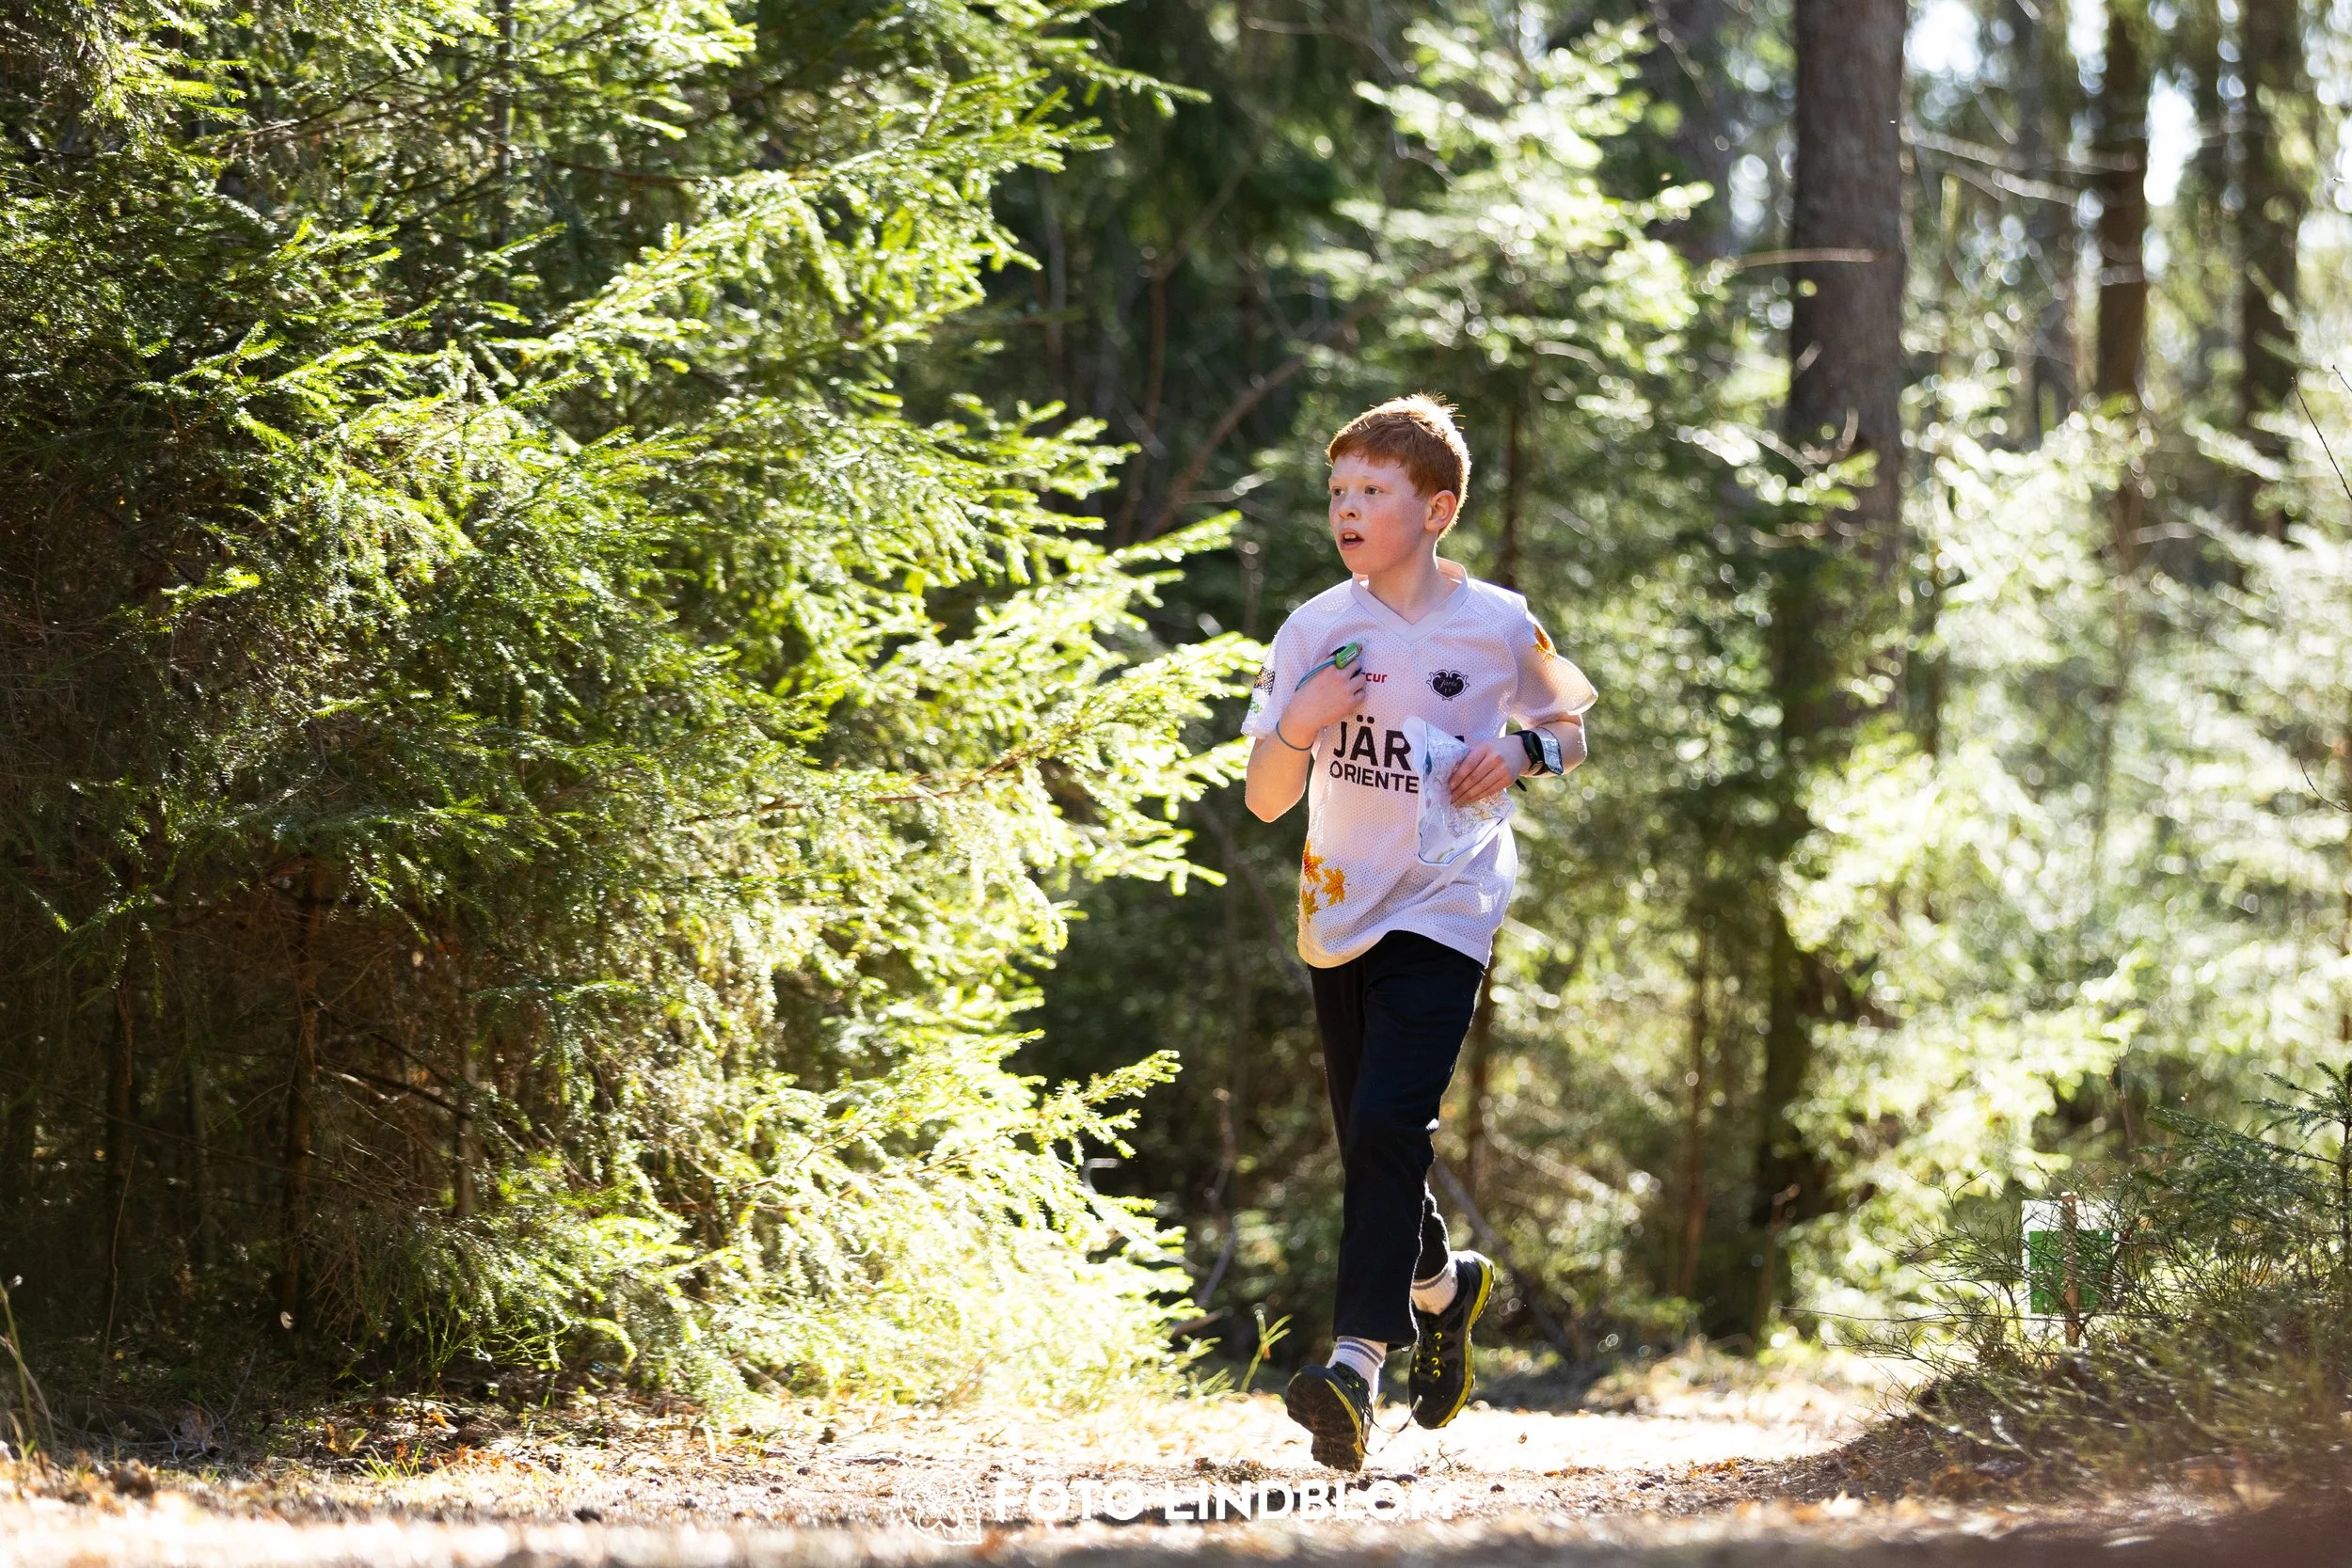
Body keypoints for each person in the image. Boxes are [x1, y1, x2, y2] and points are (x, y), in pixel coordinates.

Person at [1241, 394, 1595, 1470]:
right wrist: (1301, 723)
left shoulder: (1496, 620)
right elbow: (1263, 797)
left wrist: (1530, 756)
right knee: (1374, 1136)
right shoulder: (1312, 627)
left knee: (1393, 1117)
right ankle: (1446, 1289)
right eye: (1337, 491)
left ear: (1435, 508)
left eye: (1371, 492)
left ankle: (1354, 1366)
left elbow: (1571, 722)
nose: (1347, 509)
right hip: (1339, 904)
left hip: (1448, 901)